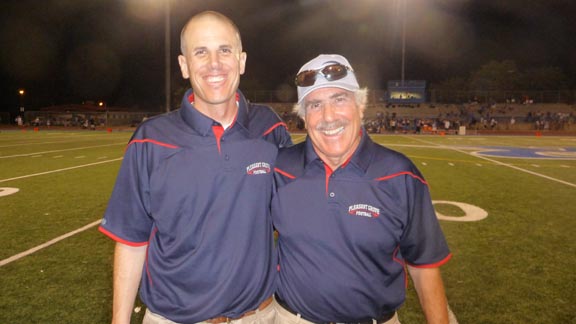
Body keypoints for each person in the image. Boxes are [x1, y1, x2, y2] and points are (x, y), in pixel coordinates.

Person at [99, 11, 292, 324]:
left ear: (241, 60)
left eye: (224, 50)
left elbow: (296, 219)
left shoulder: (270, 128)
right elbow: (132, 241)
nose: (214, 63)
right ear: (184, 65)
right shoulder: (150, 140)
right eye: (200, 52)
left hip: (259, 316)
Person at [272, 54, 453, 324]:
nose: (328, 116)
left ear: (361, 105)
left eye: (339, 100)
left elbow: (424, 267)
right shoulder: (280, 167)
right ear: (303, 116)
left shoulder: (400, 174)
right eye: (315, 105)